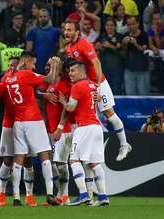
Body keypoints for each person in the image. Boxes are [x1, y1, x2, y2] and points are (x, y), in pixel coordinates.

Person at [0, 52, 62, 206]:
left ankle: (18, 197)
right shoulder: (26, 74)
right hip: (30, 120)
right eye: (33, 63)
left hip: (17, 122)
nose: (34, 66)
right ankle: (49, 194)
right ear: (26, 62)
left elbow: (30, 91)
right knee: (43, 155)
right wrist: (55, 65)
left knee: (21, 159)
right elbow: (50, 79)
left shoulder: (6, 79)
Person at [64, 20, 132, 161]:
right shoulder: (68, 48)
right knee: (90, 118)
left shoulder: (84, 44)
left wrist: (97, 85)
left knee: (109, 114)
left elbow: (96, 62)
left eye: (70, 30)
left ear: (77, 32)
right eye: (65, 30)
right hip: (85, 87)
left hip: (98, 83)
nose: (66, 32)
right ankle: (91, 150)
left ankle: (124, 145)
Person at [0, 57, 38, 207]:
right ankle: (1, 191)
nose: (10, 68)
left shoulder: (28, 78)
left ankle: (29, 195)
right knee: (8, 161)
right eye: (9, 65)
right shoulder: (5, 81)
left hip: (28, 123)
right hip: (9, 125)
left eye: (13, 66)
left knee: (28, 161)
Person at [58, 61, 109, 207]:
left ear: (81, 71)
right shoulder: (93, 85)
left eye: (73, 71)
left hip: (84, 127)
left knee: (74, 160)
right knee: (94, 163)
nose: (70, 73)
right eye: (69, 71)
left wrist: (63, 102)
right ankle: (103, 196)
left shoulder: (77, 86)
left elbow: (71, 107)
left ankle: (83, 195)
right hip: (96, 127)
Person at [38, 58, 71, 205]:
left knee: (61, 164)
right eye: (49, 62)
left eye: (52, 62)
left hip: (62, 130)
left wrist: (60, 127)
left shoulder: (65, 84)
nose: (49, 64)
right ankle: (60, 196)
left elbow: (68, 108)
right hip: (50, 128)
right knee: (53, 164)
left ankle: (64, 196)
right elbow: (35, 90)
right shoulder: (48, 83)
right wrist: (43, 95)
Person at [26, 8, 61, 74]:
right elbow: (28, 51)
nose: (42, 18)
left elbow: (60, 49)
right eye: (40, 16)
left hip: (51, 65)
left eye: (45, 16)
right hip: (36, 66)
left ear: (49, 17)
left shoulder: (56, 31)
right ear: (38, 18)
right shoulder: (32, 31)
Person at [96, 17, 124, 95]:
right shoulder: (101, 36)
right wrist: (98, 46)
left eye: (111, 25)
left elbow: (121, 51)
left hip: (117, 68)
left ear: (115, 27)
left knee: (116, 89)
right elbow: (96, 47)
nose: (109, 27)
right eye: (107, 25)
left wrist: (110, 46)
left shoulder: (119, 36)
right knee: (106, 90)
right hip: (105, 68)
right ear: (105, 27)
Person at [122, 16, 150, 95]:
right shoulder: (125, 35)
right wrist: (124, 44)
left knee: (144, 95)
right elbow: (123, 54)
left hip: (143, 70)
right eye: (129, 25)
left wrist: (135, 44)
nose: (131, 26)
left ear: (137, 24)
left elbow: (144, 50)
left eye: (133, 24)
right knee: (130, 95)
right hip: (129, 70)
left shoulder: (144, 35)